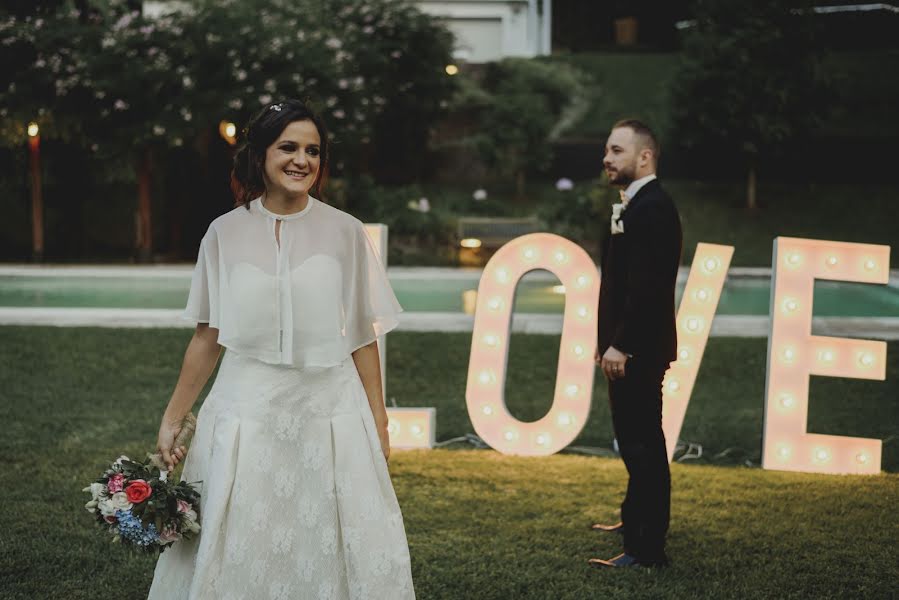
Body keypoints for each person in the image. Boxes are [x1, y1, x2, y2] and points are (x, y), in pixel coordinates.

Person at [147, 99, 415, 599]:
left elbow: (362, 333)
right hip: (245, 412)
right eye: (288, 147)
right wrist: (173, 417)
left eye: (313, 150)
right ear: (260, 155)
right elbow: (207, 337)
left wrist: (377, 420)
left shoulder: (345, 231)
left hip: (328, 412)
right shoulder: (223, 233)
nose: (302, 160)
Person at [589, 119, 682, 569]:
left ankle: (647, 549)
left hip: (638, 351)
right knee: (635, 441)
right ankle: (633, 523)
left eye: (616, 150)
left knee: (643, 444)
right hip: (630, 348)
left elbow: (647, 287)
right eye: (607, 150)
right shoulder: (637, 205)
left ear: (644, 157)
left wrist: (621, 345)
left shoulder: (653, 208)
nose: (607, 158)